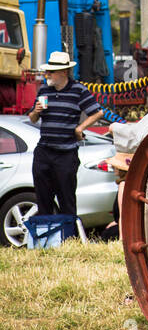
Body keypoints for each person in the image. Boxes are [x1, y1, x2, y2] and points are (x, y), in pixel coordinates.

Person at [28, 50, 104, 218]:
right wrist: (36, 111)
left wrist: (79, 128)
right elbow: (33, 118)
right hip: (44, 151)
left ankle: (68, 238)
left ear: (63, 72)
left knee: (66, 198)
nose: (47, 74)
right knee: (43, 198)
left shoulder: (78, 90)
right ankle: (46, 238)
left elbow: (97, 112)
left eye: (51, 72)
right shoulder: (43, 91)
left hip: (66, 154)